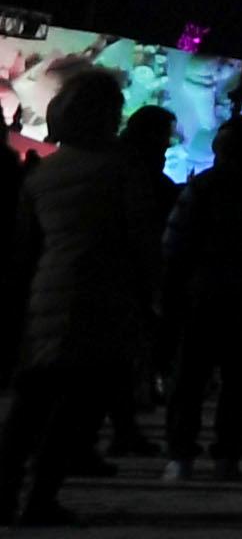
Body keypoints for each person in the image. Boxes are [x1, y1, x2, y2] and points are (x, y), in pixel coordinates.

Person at [1, 69, 163, 524]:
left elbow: (23, 248)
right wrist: (151, 293)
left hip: (45, 294)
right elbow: (142, 240)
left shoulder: (43, 173)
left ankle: (4, 491)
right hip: (102, 297)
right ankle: (41, 499)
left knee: (29, 406)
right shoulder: (121, 169)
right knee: (74, 409)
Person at [160, 112, 242, 481]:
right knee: (240, 381)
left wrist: (170, 292)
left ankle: (182, 454)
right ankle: (227, 454)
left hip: (203, 294)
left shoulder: (204, 186)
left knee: (189, 379)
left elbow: (176, 244)